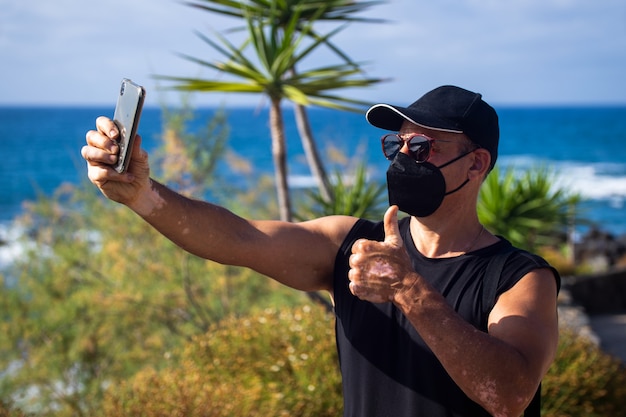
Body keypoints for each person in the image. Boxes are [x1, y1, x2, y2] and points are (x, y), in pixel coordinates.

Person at [82, 85, 559, 417]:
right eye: (397, 144)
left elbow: (509, 396)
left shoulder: (518, 277)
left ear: (475, 164)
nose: (404, 157)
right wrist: (143, 195)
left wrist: (409, 289)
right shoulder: (349, 244)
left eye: (424, 147)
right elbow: (239, 239)